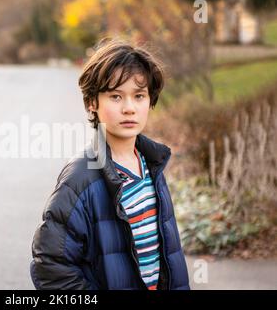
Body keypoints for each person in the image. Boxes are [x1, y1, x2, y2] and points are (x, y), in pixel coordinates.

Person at [30, 38, 190, 290]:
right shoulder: (79, 179)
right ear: (93, 103)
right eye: (116, 97)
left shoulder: (152, 165)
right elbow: (50, 267)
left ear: (150, 101)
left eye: (139, 96)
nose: (129, 108)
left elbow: (167, 256)